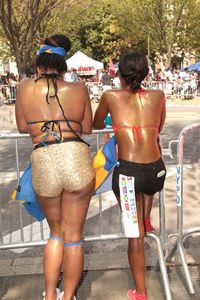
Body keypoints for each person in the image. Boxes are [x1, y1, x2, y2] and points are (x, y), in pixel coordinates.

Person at [15, 34, 95, 300]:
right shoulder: (80, 90)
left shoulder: (24, 87)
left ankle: (50, 294)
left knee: (56, 233)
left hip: (44, 159)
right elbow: (86, 128)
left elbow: (22, 127)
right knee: (74, 236)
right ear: (65, 67)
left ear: (39, 65)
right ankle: (68, 295)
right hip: (75, 157)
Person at [93, 52, 166, 300]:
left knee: (134, 237)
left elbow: (96, 122)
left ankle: (141, 293)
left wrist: (118, 124)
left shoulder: (110, 96)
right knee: (147, 187)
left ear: (118, 74)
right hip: (157, 170)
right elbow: (159, 127)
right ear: (146, 74)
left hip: (128, 175)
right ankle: (146, 218)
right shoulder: (159, 96)